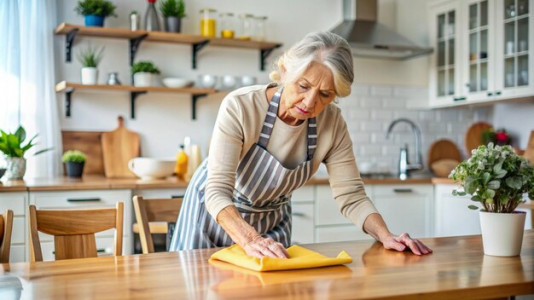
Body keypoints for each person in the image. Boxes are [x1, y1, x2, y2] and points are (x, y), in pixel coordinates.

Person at [169, 31, 432, 258]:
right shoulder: (241, 106)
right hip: (215, 216)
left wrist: (386, 235)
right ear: (285, 73)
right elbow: (216, 190)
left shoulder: (332, 123)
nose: (309, 103)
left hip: (271, 224)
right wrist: (250, 240)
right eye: (303, 86)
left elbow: (351, 195)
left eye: (325, 94)